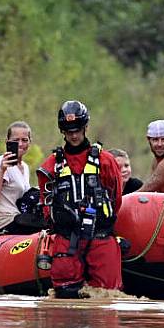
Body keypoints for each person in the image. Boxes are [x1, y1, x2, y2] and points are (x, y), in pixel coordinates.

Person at [37, 100, 124, 298]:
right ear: (62, 131)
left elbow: (116, 199)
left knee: (107, 297)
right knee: (64, 296)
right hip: (67, 239)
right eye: (68, 131)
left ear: (85, 127)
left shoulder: (106, 161)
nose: (74, 135)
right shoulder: (51, 166)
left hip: (101, 236)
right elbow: (46, 203)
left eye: (77, 130)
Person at [0, 121, 44, 235]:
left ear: (30, 142)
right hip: (3, 222)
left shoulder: (25, 167)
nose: (21, 144)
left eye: (25, 140)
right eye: (16, 140)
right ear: (7, 142)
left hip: (18, 218)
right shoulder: (0, 162)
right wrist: (2, 170)